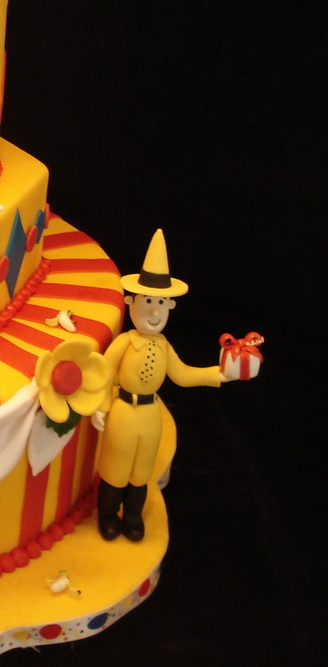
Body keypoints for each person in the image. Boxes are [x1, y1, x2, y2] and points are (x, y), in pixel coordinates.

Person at [94, 229, 257, 541]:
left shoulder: (164, 347)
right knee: (115, 468)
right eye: (148, 302)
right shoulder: (124, 342)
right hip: (122, 413)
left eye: (161, 303)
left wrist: (220, 375)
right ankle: (108, 515)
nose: (155, 312)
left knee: (141, 472)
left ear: (170, 306)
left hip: (151, 416)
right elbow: (103, 371)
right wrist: (101, 405)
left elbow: (182, 375)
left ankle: (133, 516)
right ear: (131, 301)